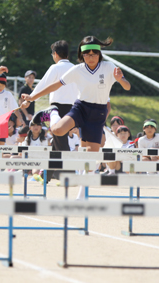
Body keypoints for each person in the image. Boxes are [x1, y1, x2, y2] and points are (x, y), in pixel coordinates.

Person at [23, 36, 131, 198]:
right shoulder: (77, 69)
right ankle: (52, 112)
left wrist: (120, 80)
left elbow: (127, 86)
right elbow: (55, 85)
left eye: (95, 54)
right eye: (87, 54)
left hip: (98, 112)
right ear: (82, 55)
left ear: (100, 54)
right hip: (80, 107)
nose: (91, 57)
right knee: (58, 130)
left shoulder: (109, 67)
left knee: (91, 156)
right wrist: (32, 97)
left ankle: (80, 196)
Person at [23, 40, 78, 181]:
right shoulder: (76, 68)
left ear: (56, 54)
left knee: (61, 142)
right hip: (73, 109)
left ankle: (70, 175)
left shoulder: (55, 68)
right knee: (57, 142)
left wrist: (29, 99)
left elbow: (42, 85)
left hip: (56, 110)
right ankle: (46, 175)